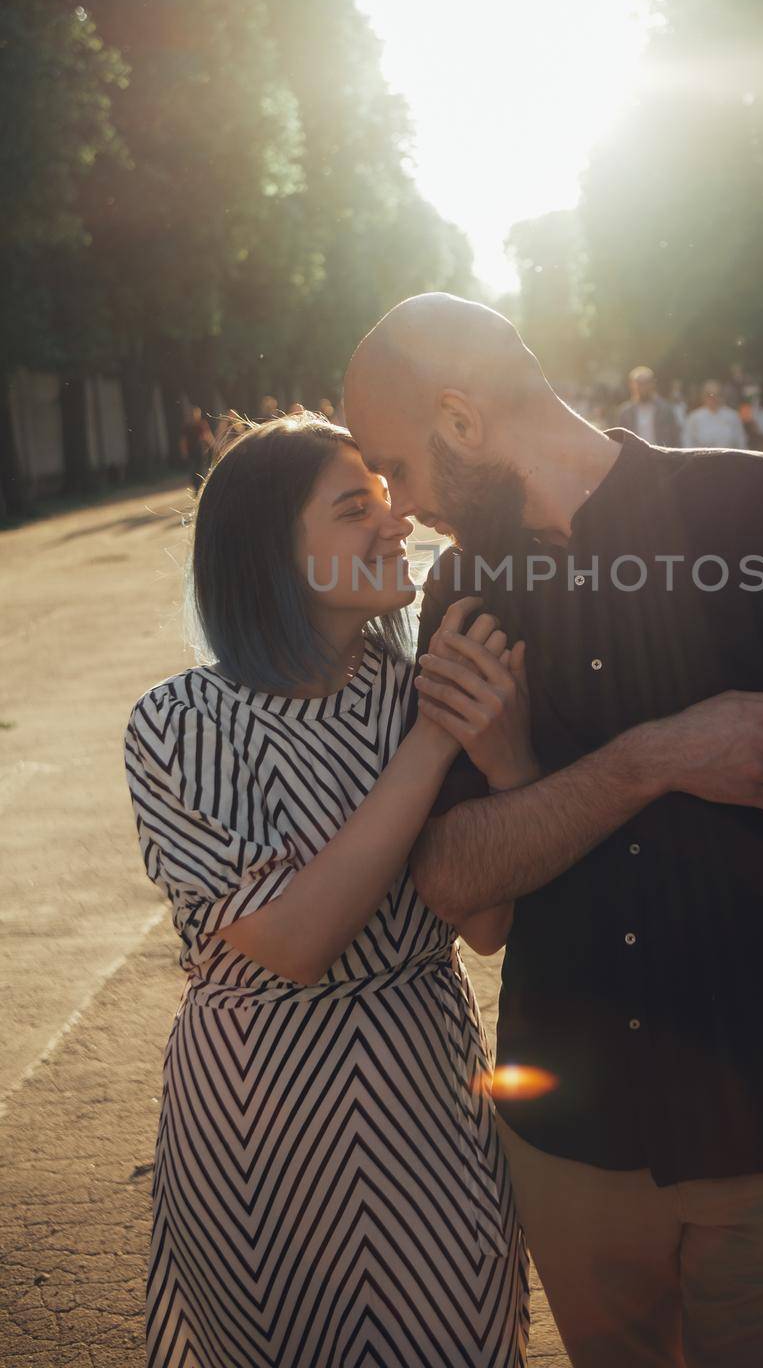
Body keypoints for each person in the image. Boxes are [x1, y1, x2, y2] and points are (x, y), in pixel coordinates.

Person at [343, 293, 763, 1368]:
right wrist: (650, 759)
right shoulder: (467, 589)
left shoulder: (759, 511)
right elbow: (459, 886)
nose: (401, 506)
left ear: (461, 422)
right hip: (567, 1149)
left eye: (397, 466)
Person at [123, 411, 532, 1368]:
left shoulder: (415, 687)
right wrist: (435, 747)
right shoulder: (182, 724)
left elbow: (485, 924)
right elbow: (297, 942)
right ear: (269, 554)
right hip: (261, 1105)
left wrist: (509, 763)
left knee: (458, 1337)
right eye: (356, 508)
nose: (396, 524)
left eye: (387, 501)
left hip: (426, 1085)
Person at [615, 366, 681, 445]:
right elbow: (619, 441)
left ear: (653, 383)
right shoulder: (625, 412)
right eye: (639, 383)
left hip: (661, 455)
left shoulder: (666, 409)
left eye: (646, 382)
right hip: (635, 456)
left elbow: (676, 438)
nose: (643, 387)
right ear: (632, 385)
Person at [682, 380, 748, 450]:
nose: (713, 397)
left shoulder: (733, 416)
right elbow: (687, 443)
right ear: (703, 396)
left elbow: (741, 442)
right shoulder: (694, 418)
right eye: (709, 394)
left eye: (717, 394)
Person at [178, 404, 214, 495]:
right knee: (193, 471)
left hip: (201, 451)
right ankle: (196, 487)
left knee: (201, 469)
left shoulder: (202, 424)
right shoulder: (186, 426)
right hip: (191, 452)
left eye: (197, 413)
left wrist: (213, 445)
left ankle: (201, 488)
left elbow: (207, 436)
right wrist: (184, 452)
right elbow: (183, 440)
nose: (195, 415)